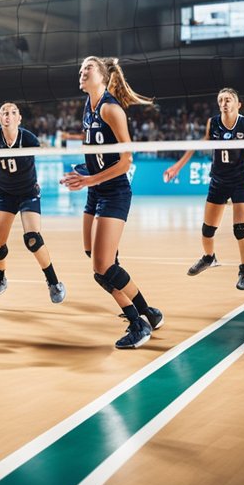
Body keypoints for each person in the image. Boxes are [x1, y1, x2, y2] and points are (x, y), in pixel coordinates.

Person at [59, 56, 163, 349]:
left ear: (102, 76)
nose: (81, 72)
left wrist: (90, 180)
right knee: (95, 257)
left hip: (115, 190)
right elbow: (95, 157)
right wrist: (80, 173)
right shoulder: (88, 107)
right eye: (80, 69)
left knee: (102, 268)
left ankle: (137, 325)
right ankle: (149, 312)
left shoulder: (110, 108)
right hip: (96, 191)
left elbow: (126, 161)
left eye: (87, 69)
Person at [164, 87, 244, 290]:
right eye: (221, 100)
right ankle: (209, 258)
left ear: (238, 104)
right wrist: (177, 166)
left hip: (239, 182)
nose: (224, 103)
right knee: (207, 229)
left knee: (240, 229)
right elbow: (199, 144)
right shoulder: (213, 123)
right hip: (218, 182)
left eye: (228, 99)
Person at [0, 102, 66, 305]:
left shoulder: (28, 138)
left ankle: (54, 282)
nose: (8, 115)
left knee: (32, 239)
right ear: (0, 118)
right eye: (4, 112)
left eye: (13, 113)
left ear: (19, 119)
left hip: (28, 193)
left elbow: (44, 154)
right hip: (5, 195)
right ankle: (0, 280)